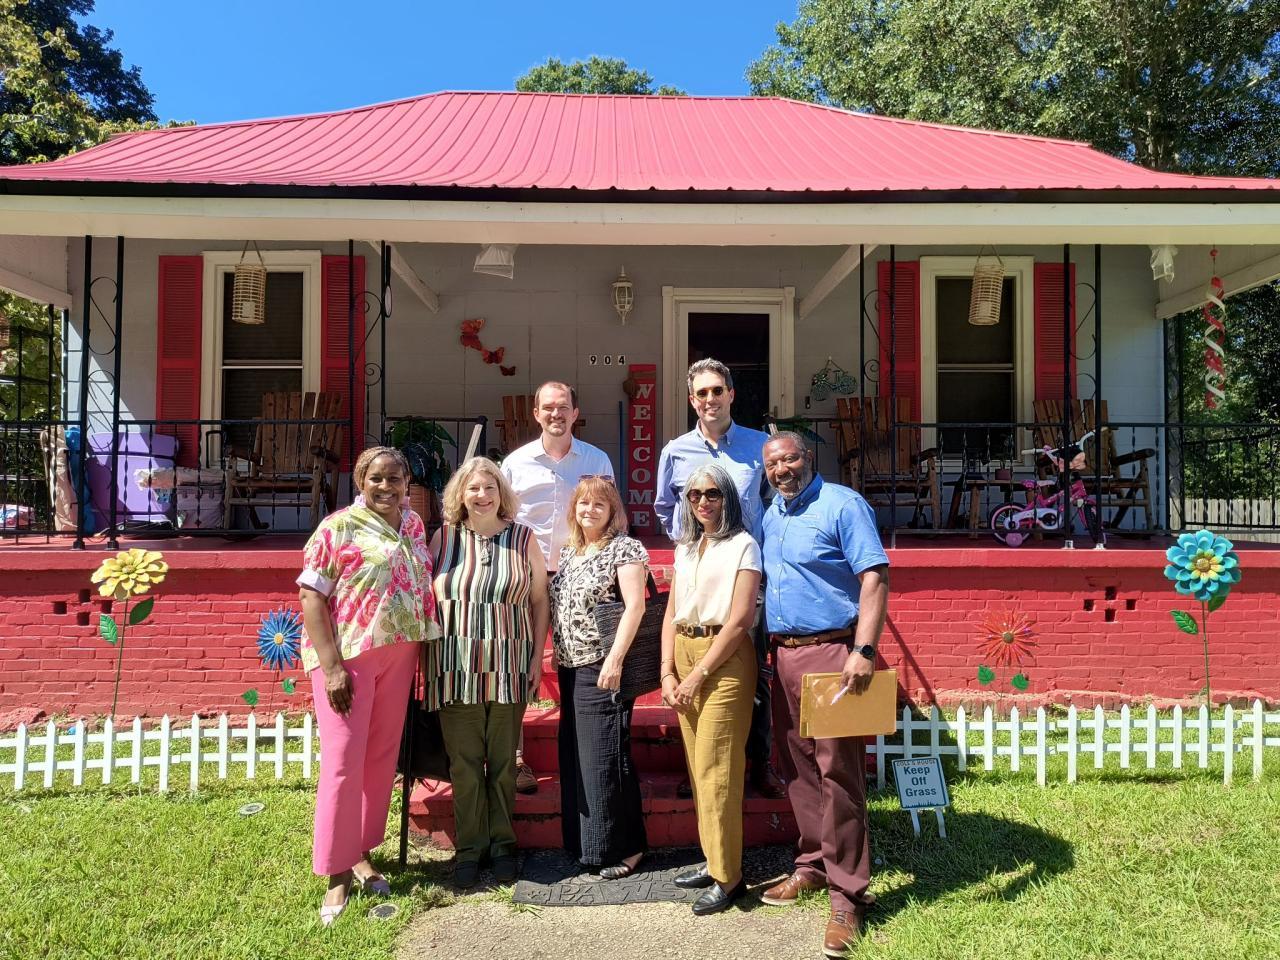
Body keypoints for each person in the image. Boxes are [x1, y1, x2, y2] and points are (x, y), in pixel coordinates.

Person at [758, 432, 889, 958]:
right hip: (783, 656)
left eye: (788, 458)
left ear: (808, 458)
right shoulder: (772, 513)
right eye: (772, 462)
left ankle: (848, 895)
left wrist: (864, 650)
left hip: (835, 654)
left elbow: (874, 578)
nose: (781, 468)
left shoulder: (842, 504)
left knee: (839, 773)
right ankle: (812, 864)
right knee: (799, 766)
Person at [297, 446, 439, 926]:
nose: (386, 487)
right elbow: (311, 596)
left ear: (406, 481)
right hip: (348, 657)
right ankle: (336, 872)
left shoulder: (414, 525)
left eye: (394, 478)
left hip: (399, 653)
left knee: (380, 759)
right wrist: (332, 666)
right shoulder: (337, 527)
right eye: (376, 478)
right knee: (342, 762)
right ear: (361, 481)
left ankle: (360, 853)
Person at [653, 358, 785, 801]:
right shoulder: (676, 451)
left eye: (717, 391)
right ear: (691, 400)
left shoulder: (757, 445)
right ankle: (699, 768)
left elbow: (775, 502)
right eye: (701, 393)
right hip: (700, 574)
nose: (709, 399)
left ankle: (759, 763)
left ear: (731, 394)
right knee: (695, 661)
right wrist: (691, 551)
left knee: (755, 671)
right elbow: (663, 508)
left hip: (750, 572)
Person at [427, 457, 550, 888]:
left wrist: (536, 658)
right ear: (460, 494)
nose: (481, 495)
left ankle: (502, 846)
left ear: (502, 493)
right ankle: (469, 850)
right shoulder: (442, 539)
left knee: (501, 763)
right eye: (473, 488)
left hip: (509, 663)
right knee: (463, 764)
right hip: (454, 666)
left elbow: (538, 601)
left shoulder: (522, 538)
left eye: (490, 488)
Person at [501, 381, 614, 794]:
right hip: (526, 579)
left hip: (578, 581)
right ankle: (515, 760)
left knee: (578, 669)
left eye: (563, 406)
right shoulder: (515, 464)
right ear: (536, 413)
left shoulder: (596, 460)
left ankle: (580, 755)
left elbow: (610, 519)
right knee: (518, 666)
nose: (556, 414)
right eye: (548, 407)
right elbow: (501, 522)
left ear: (575, 411)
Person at [660, 463, 762, 916]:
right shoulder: (684, 548)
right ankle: (714, 858)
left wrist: (698, 674)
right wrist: (667, 671)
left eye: (713, 493)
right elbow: (671, 612)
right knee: (698, 767)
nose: (703, 501)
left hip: (724, 660)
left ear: (727, 498)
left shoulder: (744, 545)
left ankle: (730, 877)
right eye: (695, 494)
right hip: (684, 651)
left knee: (717, 771)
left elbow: (740, 620)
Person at [549, 477, 649, 878]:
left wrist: (615, 659)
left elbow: (636, 607)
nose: (589, 510)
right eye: (583, 503)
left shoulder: (624, 548)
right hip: (570, 667)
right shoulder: (571, 552)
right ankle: (586, 844)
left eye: (599, 505)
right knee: (577, 757)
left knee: (607, 758)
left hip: (602, 666)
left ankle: (627, 848)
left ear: (612, 512)